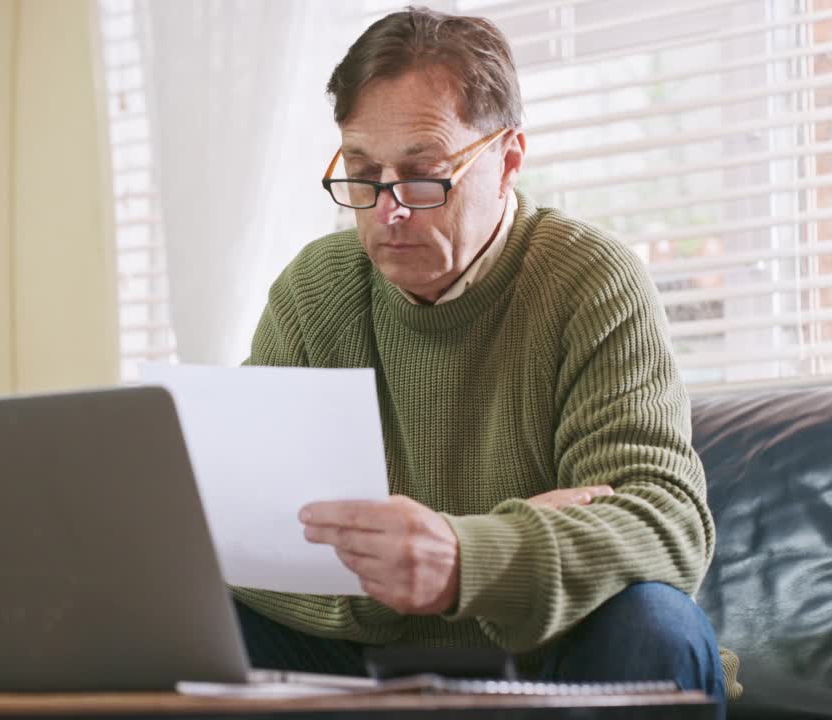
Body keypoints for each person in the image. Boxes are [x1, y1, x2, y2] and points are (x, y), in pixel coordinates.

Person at [228, 6, 735, 716]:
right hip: (362, 655)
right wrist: (389, 577)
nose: (388, 212)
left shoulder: (592, 281)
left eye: (422, 175)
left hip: (549, 653)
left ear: (509, 161)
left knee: (654, 624)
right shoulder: (315, 290)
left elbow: (666, 524)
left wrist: (468, 560)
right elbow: (242, 535)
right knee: (197, 617)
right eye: (364, 175)